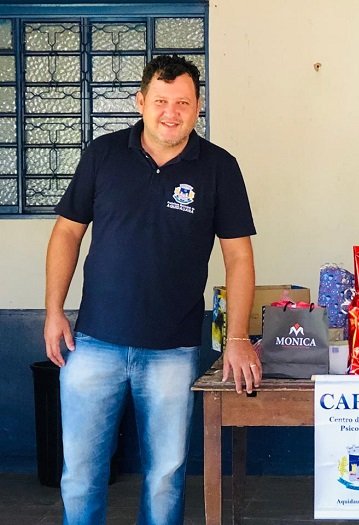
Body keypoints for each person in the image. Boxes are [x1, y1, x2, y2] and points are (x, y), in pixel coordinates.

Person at [44, 55, 261, 525]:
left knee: (165, 476)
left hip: (173, 349)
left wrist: (238, 337)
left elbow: (239, 258)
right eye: (161, 101)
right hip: (93, 342)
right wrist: (54, 311)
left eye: (182, 102)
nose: (171, 112)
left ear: (198, 107)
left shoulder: (219, 167)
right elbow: (67, 232)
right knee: (80, 474)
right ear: (140, 101)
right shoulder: (103, 155)